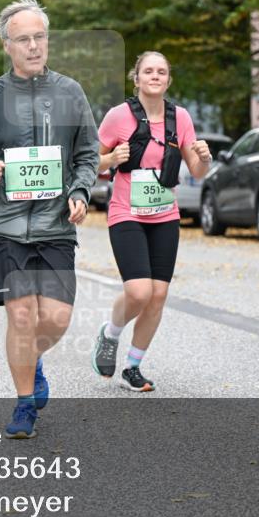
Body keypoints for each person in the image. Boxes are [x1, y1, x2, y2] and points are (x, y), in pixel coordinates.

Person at [0, 0, 100, 439]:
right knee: (20, 317)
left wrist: (79, 190)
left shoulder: (70, 92)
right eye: (24, 39)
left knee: (54, 319)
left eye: (40, 37)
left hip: (55, 225)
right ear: (6, 45)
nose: (34, 46)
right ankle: (24, 404)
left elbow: (88, 154)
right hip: (5, 227)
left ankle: (32, 361)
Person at [92, 52, 212, 391]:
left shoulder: (181, 118)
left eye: (162, 71)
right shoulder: (119, 116)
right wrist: (111, 158)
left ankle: (133, 365)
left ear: (168, 80)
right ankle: (110, 333)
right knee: (139, 291)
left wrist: (205, 157)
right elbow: (89, 163)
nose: (155, 76)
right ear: (137, 79)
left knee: (158, 295)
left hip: (164, 213)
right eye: (149, 71)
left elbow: (197, 170)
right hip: (126, 212)